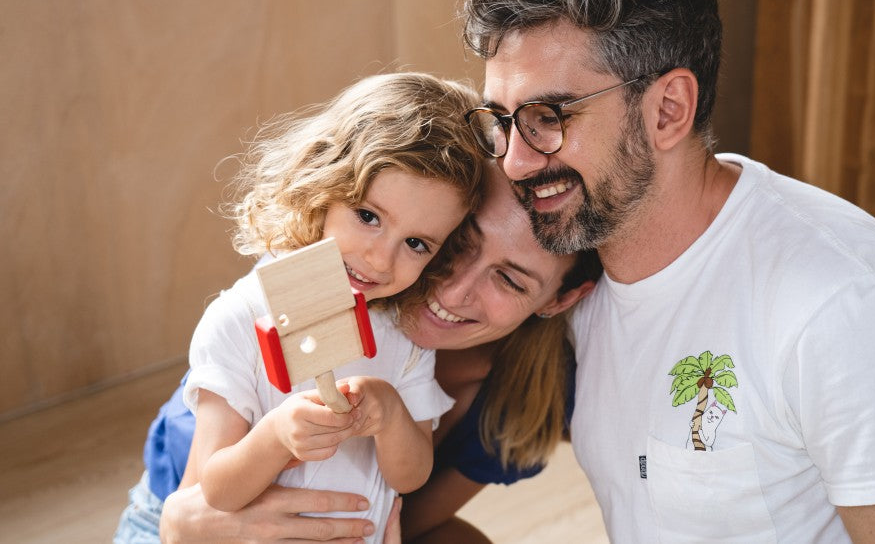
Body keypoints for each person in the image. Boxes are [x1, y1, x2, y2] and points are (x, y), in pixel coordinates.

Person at [460, 0, 875, 542]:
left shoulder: (855, 314)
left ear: (669, 110)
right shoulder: (572, 272)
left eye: (549, 117)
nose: (515, 162)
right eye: (503, 120)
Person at [121, 162, 600, 543]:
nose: (454, 292)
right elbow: (199, 506)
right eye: (458, 244)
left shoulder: (520, 399)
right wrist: (180, 525)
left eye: (509, 280)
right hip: (182, 508)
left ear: (559, 300)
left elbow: (402, 516)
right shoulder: (327, 290)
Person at [115, 71, 486, 544]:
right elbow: (215, 492)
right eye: (368, 217)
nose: (380, 259)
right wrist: (274, 437)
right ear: (323, 185)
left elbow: (410, 478)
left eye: (416, 243)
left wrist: (392, 413)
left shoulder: (404, 334)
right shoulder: (238, 319)